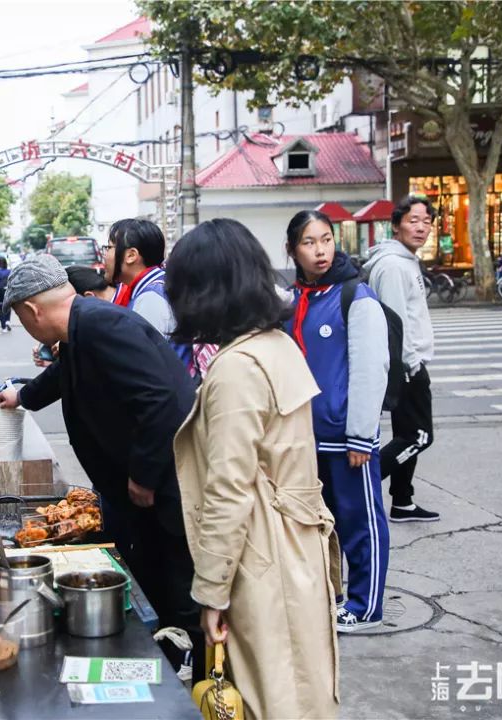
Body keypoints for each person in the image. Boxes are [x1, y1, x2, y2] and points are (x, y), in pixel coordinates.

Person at [0, 254, 202, 674]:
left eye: (21, 319)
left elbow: (161, 401)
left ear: (33, 310)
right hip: (134, 487)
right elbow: (63, 375)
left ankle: (201, 679)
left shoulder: (102, 325)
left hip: (164, 486)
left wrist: (143, 476)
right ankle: (168, 660)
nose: (26, 327)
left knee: (178, 587)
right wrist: (23, 397)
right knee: (148, 576)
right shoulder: (80, 328)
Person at [166, 218, 338, 720]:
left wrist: (211, 593)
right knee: (303, 687)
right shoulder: (276, 346)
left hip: (263, 559)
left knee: (273, 696)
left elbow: (229, 490)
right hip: (296, 547)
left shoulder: (237, 368)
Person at [283, 210, 391, 633]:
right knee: (317, 528)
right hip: (306, 437)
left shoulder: (355, 297)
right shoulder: (292, 300)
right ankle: (334, 596)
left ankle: (366, 605)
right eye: (309, 242)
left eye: (326, 239)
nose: (320, 250)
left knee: (359, 521)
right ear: (292, 249)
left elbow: (370, 368)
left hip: (347, 438)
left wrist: (362, 436)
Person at [365, 196, 440, 522]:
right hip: (407, 366)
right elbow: (396, 324)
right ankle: (359, 489)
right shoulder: (394, 265)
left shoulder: (404, 260)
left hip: (408, 363)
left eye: (426, 221)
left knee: (405, 434)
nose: (421, 227)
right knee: (418, 436)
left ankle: (402, 501)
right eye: (413, 220)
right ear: (396, 225)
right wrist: (411, 365)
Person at [104, 218, 194, 372]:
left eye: (109, 248)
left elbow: (138, 364)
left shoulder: (150, 299)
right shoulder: (158, 285)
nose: (105, 255)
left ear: (131, 255)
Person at [0, 256, 12, 333]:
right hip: (8, 292)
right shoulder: (9, 271)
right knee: (8, 307)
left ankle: (3, 327)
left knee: (1, 309)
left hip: (0, 293)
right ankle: (8, 321)